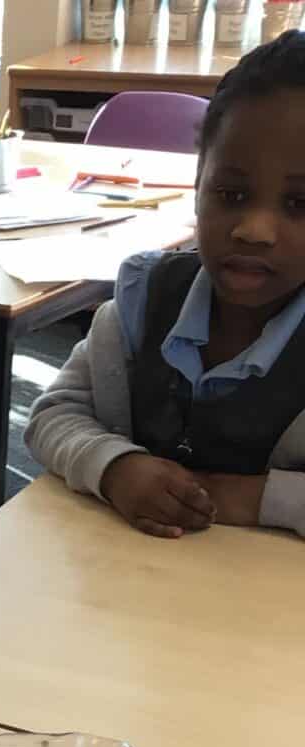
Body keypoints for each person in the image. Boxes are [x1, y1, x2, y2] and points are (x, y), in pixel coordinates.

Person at [25, 32, 305, 540]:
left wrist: (254, 497)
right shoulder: (143, 301)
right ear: (197, 186)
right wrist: (113, 467)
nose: (254, 230)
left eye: (298, 204)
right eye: (231, 194)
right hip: (122, 573)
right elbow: (53, 414)